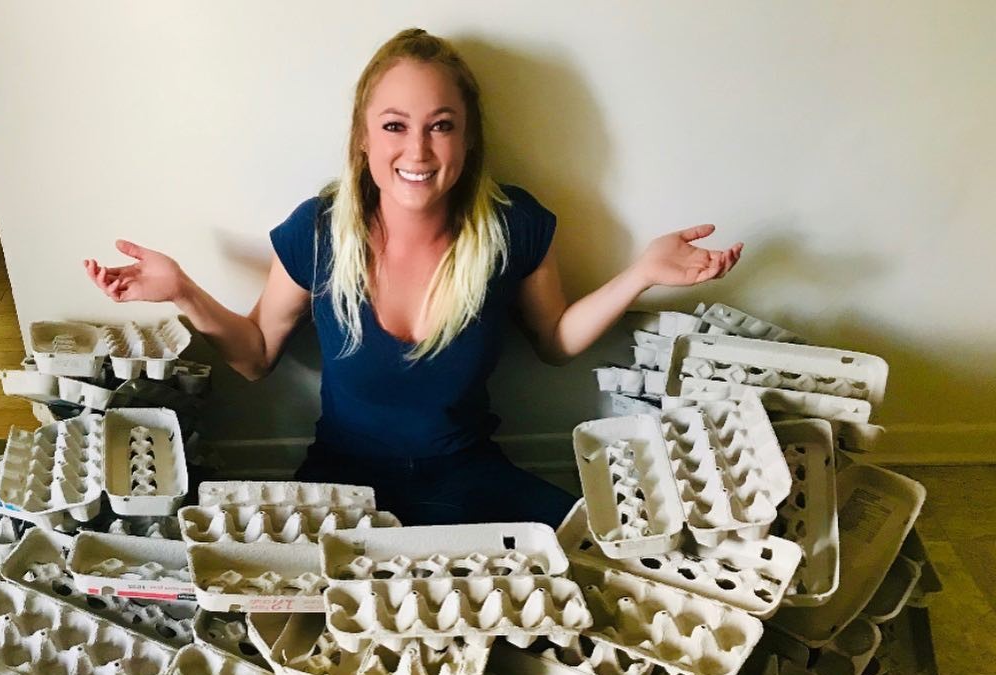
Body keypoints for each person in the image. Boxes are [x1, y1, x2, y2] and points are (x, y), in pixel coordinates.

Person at [84, 28, 742, 527]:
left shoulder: (515, 227)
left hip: (468, 477)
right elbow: (255, 356)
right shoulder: (318, 231)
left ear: (467, 138)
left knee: (597, 550)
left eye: (442, 127)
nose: (419, 152)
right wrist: (183, 291)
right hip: (345, 485)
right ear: (365, 138)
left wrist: (641, 275)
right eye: (395, 126)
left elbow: (555, 341)